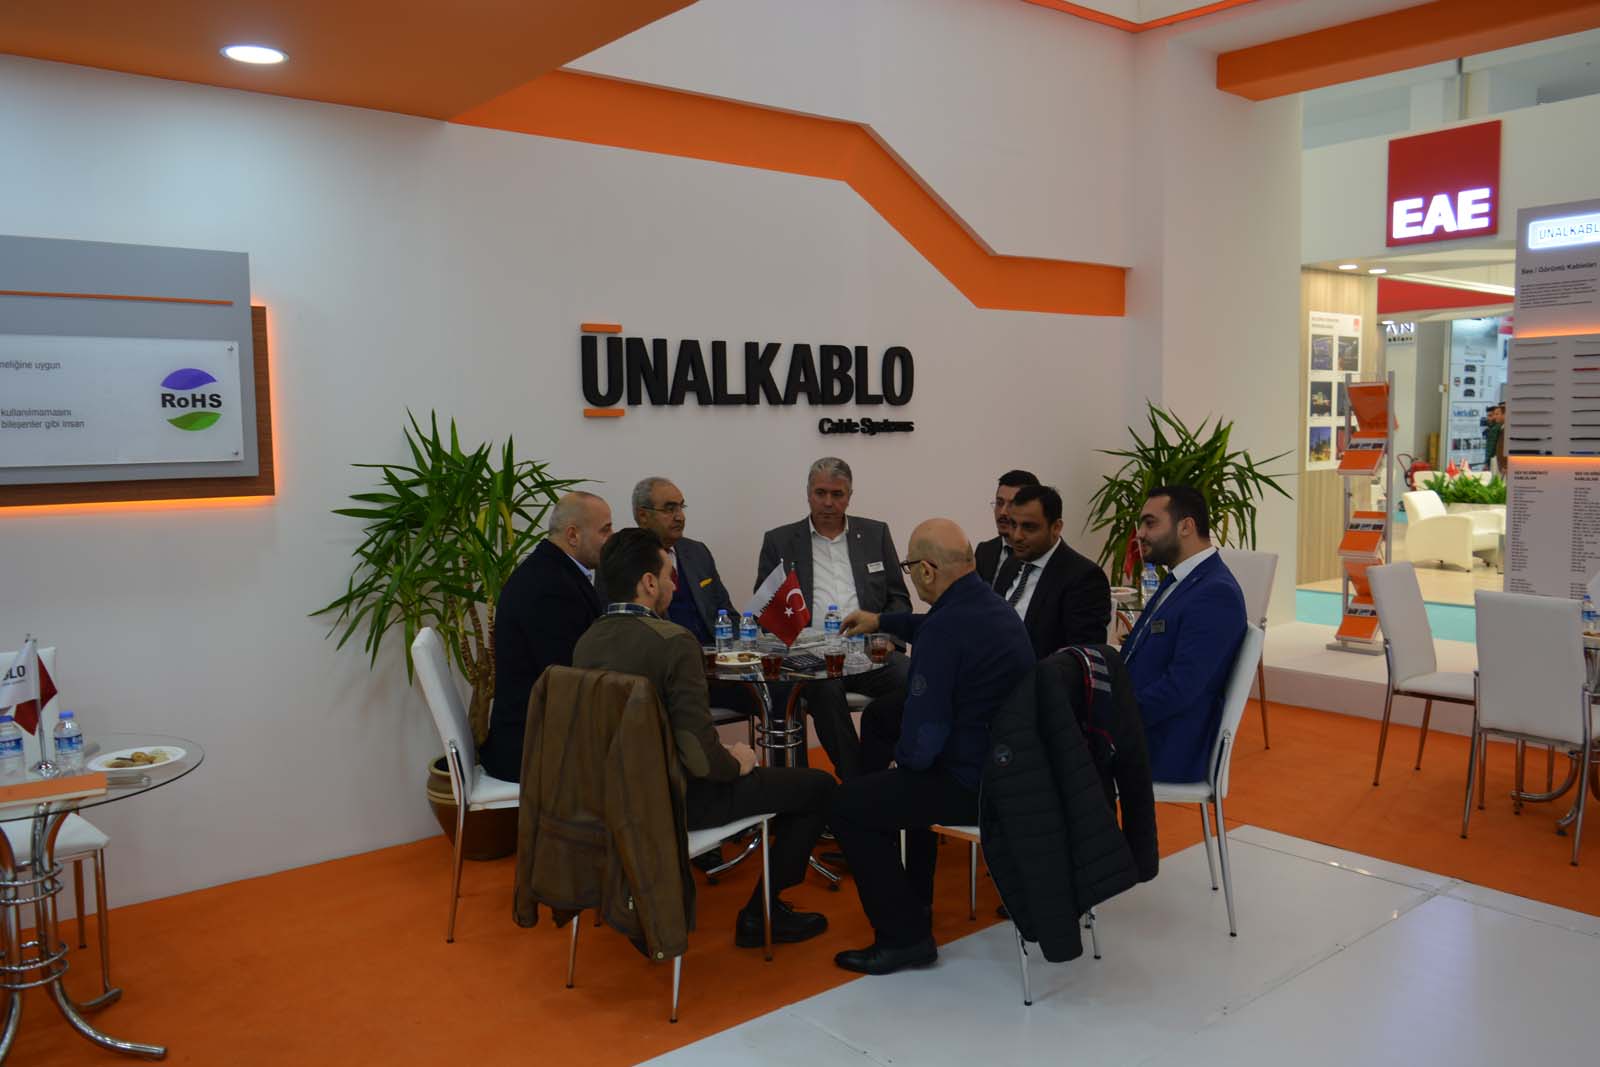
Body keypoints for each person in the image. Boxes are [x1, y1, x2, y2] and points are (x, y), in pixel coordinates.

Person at [574, 528, 835, 946]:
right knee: (817, 787)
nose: (675, 586)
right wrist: (739, 761)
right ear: (649, 583)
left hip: (611, 799)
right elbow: (700, 757)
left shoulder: (587, 642)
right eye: (670, 576)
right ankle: (761, 915)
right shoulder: (675, 643)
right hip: (677, 800)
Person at [830, 520, 1034, 975]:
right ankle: (914, 900)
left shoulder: (945, 631)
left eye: (908, 567)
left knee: (847, 806)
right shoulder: (990, 606)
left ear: (926, 570)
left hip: (973, 783)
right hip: (1011, 767)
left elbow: (925, 739)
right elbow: (929, 625)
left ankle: (905, 938)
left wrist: (898, 773)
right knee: (886, 730)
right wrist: (881, 620)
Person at [755, 457, 911, 779]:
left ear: (850, 496)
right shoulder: (780, 541)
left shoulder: (875, 534)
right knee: (824, 690)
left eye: (837, 494)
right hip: (812, 659)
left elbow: (898, 598)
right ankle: (858, 781)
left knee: (919, 676)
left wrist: (888, 638)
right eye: (820, 493)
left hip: (869, 651)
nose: (828, 502)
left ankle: (889, 768)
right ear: (808, 494)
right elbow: (766, 609)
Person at [480, 492, 612, 782]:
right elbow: (568, 677)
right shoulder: (550, 586)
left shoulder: (553, 571)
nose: (611, 539)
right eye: (605, 530)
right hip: (533, 746)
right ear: (573, 535)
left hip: (541, 734)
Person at [1120, 486, 1247, 784]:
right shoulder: (1184, 578)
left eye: (1150, 523)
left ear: (1186, 526)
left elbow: (1181, 688)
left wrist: (1115, 717)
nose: (1140, 534)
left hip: (1165, 745)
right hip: (1144, 727)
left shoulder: (1215, 593)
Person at [632, 475, 760, 718]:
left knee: (786, 689)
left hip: (718, 667)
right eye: (669, 509)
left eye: (681, 507)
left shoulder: (696, 552)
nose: (680, 516)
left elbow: (726, 611)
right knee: (772, 695)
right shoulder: (627, 560)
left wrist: (754, 647)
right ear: (643, 515)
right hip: (673, 676)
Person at [996, 484, 1112, 658]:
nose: (1017, 536)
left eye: (1029, 527)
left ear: (1056, 527)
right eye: (1013, 525)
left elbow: (1081, 657)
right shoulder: (1011, 563)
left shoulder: (1084, 578)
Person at [975, 469, 1039, 585]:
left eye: (1012, 504)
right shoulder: (984, 551)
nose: (1003, 512)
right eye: (999, 503)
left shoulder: (1039, 554)